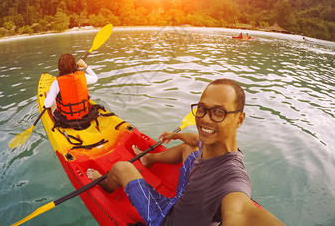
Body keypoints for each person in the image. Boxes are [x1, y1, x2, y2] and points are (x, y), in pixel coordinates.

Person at [87, 79, 284, 225]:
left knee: (121, 168)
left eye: (218, 112)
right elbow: (195, 140)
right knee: (189, 149)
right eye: (202, 109)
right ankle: (148, 159)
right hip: (180, 200)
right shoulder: (214, 146)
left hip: (165, 219)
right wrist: (176, 136)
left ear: (239, 119)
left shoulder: (233, 179)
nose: (206, 119)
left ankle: (105, 184)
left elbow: (241, 211)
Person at [44, 53, 98, 128]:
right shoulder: (83, 76)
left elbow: (47, 104)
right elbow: (95, 78)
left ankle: (48, 94)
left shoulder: (57, 83)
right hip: (85, 117)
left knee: (52, 102)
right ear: (74, 65)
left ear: (59, 68)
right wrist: (85, 66)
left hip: (66, 121)